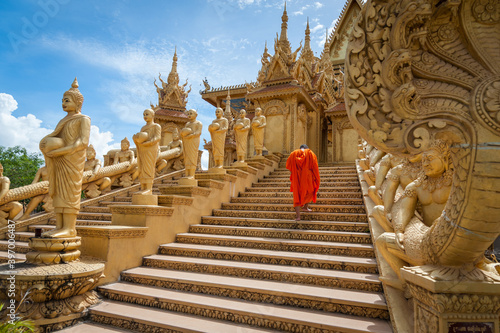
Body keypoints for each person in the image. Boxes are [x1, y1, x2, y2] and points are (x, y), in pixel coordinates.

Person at [39, 78, 91, 238]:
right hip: (60, 161)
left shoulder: (84, 119)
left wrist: (59, 152)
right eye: (62, 100)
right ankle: (59, 226)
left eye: (67, 100)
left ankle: (69, 228)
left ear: (78, 102)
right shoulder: (63, 120)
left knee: (69, 192)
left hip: (72, 161)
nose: (63, 103)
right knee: (59, 192)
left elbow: (82, 143)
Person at [286, 144, 320, 221]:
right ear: (307, 148)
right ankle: (305, 207)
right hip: (307, 177)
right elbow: (315, 167)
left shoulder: (293, 154)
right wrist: (316, 178)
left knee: (297, 195)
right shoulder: (310, 153)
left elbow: (288, 165)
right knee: (310, 191)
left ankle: (298, 217)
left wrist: (295, 171)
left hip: (296, 177)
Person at [133, 109, 161, 194]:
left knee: (148, 167)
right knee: (141, 167)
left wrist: (149, 142)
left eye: (147, 114)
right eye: (144, 114)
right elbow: (140, 138)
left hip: (150, 149)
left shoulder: (156, 126)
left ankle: (149, 188)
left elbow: (157, 137)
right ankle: (143, 186)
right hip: (143, 148)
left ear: (152, 115)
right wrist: (136, 139)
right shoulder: (143, 128)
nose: (145, 116)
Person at [180, 109, 203, 179]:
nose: (189, 115)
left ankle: (192, 174)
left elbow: (198, 132)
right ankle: (187, 174)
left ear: (196, 115)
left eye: (191, 113)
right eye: (188, 114)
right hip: (187, 140)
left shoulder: (198, 123)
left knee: (192, 156)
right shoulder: (187, 124)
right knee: (187, 157)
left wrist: (191, 135)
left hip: (194, 140)